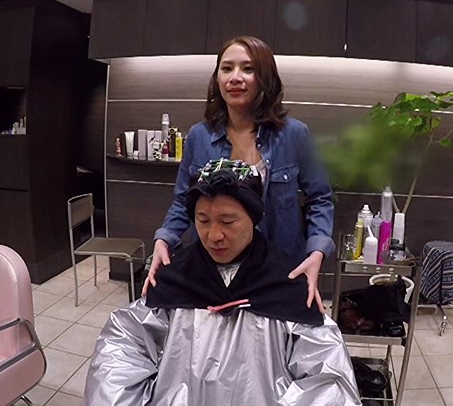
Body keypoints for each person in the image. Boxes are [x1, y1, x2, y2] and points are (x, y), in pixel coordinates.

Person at [84, 160, 359, 405]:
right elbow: (122, 348)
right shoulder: (175, 279)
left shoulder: (287, 284)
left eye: (228, 221)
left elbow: (328, 379)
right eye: (203, 220)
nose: (214, 235)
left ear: (253, 218)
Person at [144, 36, 334, 312]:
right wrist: (164, 238)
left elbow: (320, 199)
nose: (235, 77)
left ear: (265, 77)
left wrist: (316, 252)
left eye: (248, 69)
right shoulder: (199, 136)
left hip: (278, 270)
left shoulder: (295, 135)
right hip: (213, 272)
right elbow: (184, 200)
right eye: (226, 68)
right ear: (217, 78)